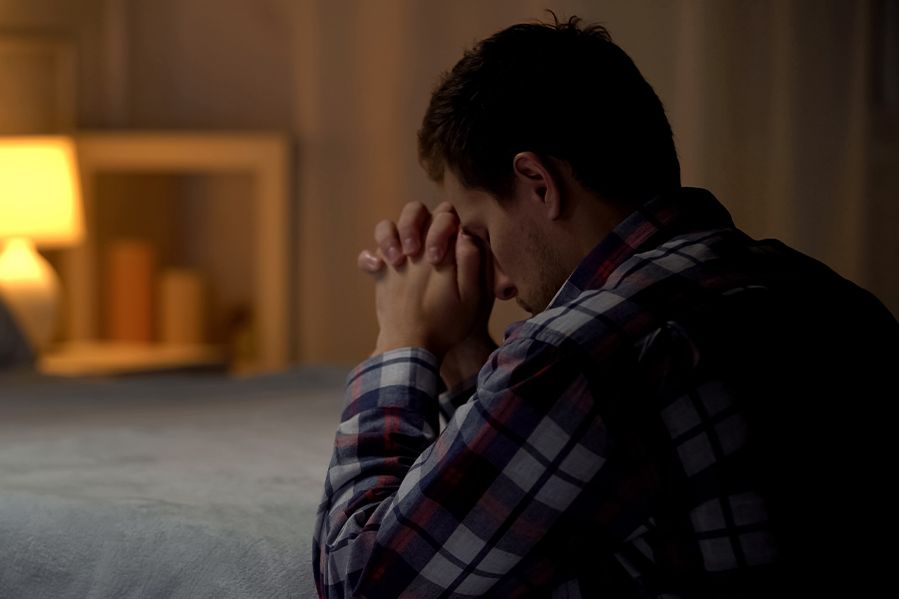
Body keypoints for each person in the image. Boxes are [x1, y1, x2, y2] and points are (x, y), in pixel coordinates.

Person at [313, 15, 899, 598]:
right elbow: (558, 492)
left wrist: (400, 337)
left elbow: (361, 581)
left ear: (539, 182)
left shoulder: (582, 353)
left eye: (482, 230)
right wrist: (465, 350)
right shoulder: (831, 295)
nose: (500, 287)